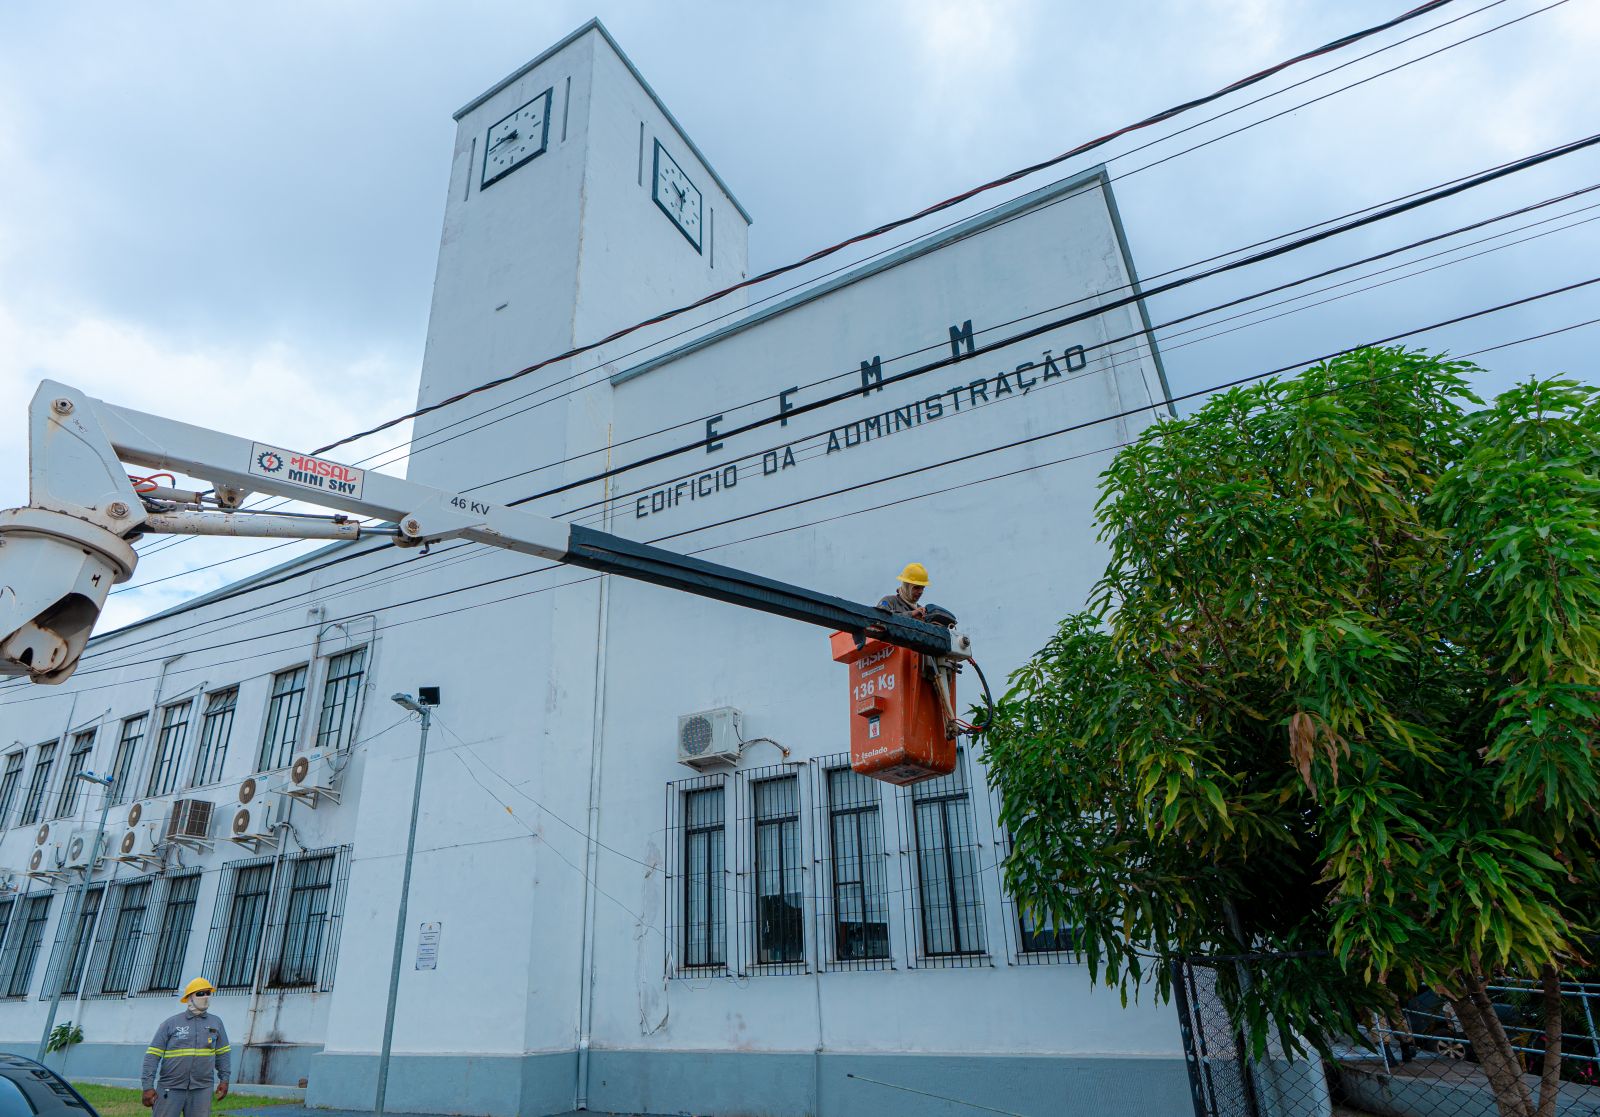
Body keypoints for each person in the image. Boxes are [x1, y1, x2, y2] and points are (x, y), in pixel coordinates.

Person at [142, 978, 230, 1117]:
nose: (206, 997)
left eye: (208, 993)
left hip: (202, 1089)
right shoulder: (171, 1023)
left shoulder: (216, 1022)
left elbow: (223, 1054)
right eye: (201, 993)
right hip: (170, 1088)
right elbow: (152, 1056)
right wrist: (148, 1086)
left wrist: (224, 1080)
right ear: (189, 998)